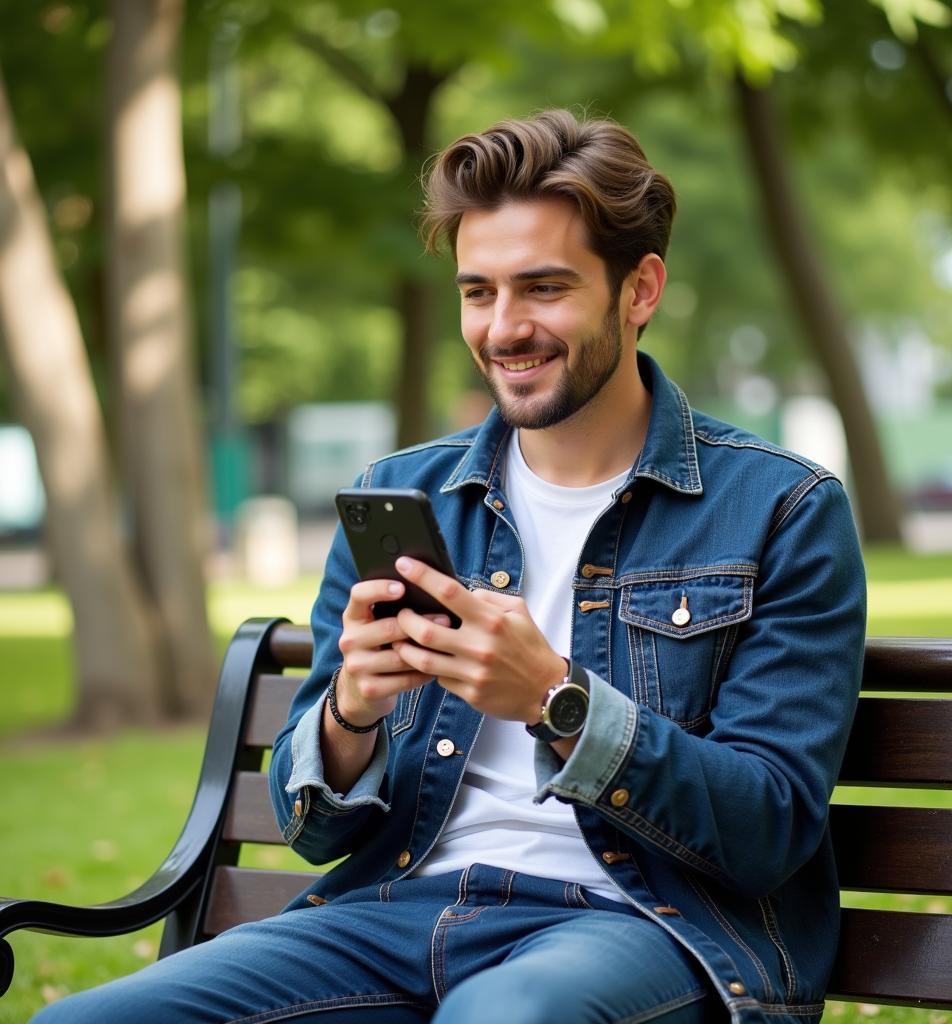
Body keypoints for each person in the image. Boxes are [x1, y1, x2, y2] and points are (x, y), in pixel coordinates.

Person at [37, 109, 866, 1024]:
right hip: (398, 911)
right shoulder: (401, 495)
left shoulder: (781, 510)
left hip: (643, 927)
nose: (505, 328)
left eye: (544, 288)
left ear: (641, 289)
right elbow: (313, 831)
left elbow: (770, 827)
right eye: (480, 292)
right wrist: (352, 711)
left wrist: (558, 699)